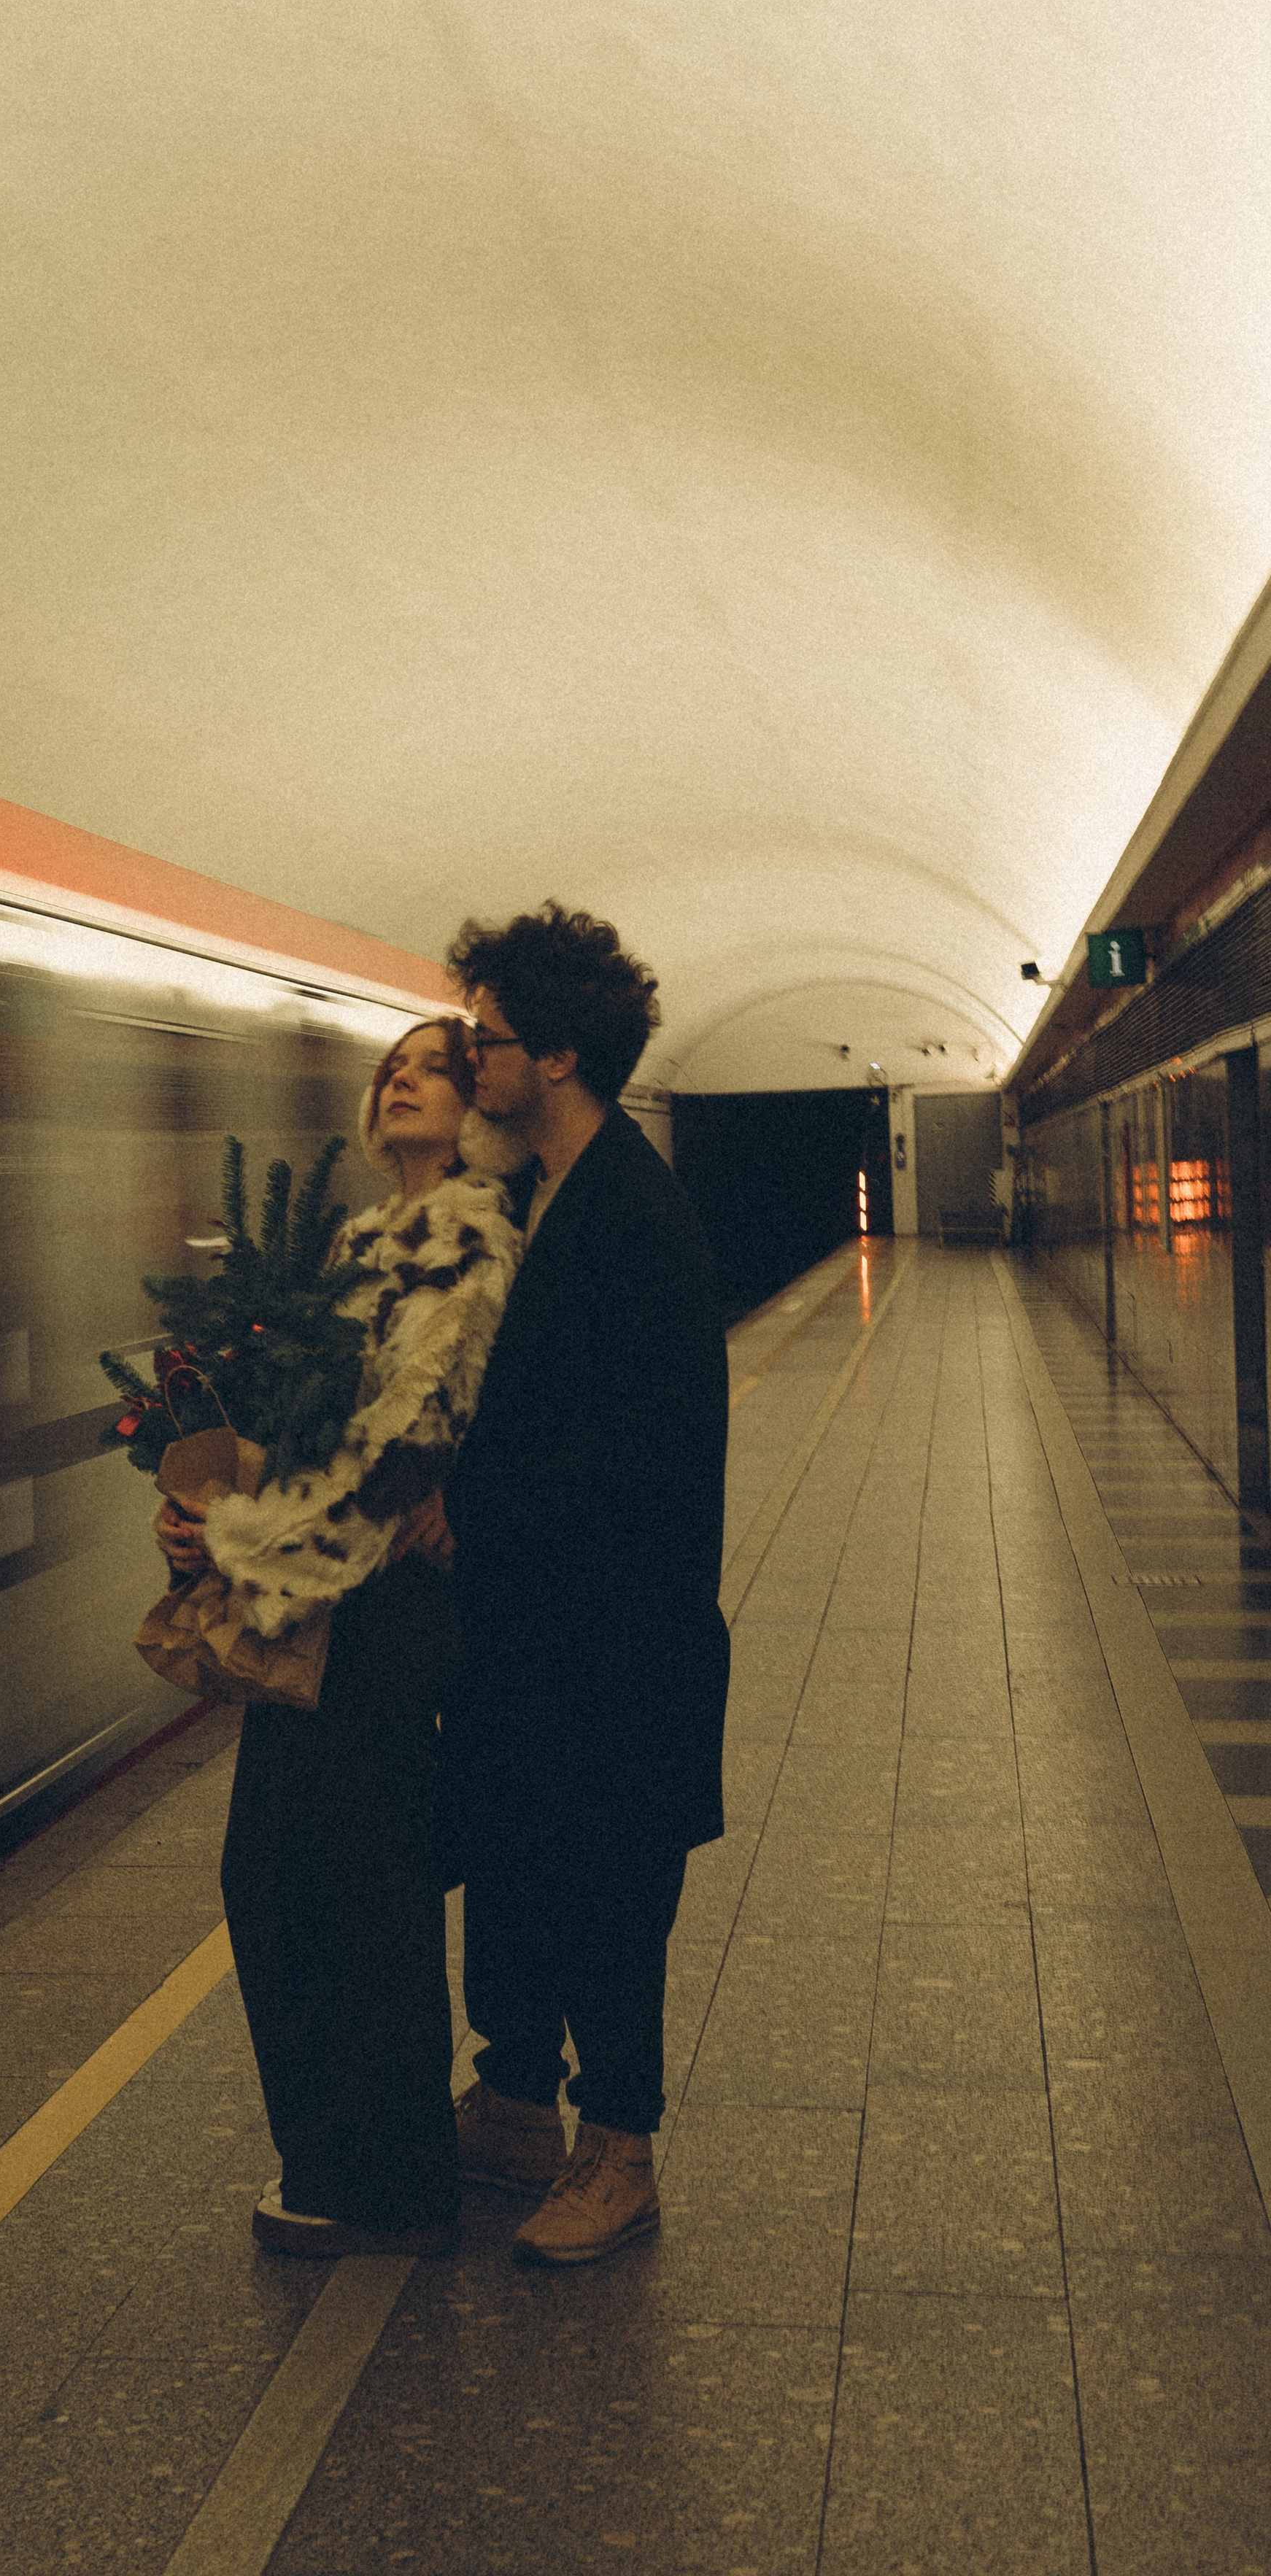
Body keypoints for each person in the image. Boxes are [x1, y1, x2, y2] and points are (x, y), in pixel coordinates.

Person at [154, 1018, 524, 2257]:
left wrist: (238, 1542)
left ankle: (388, 2177)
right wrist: (206, 1502)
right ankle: (337, 2156)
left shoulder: (471, 1241)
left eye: (432, 1063)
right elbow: (300, 1425)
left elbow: (403, 1446)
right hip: (320, 1599)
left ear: (481, 1098)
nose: (399, 1076)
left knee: (349, 1892)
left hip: (384, 1614)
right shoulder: (358, 1244)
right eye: (392, 1066)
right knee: (285, 1880)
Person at [435, 902, 730, 2267]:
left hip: (617, 1641)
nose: (466, 1059)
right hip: (541, 1637)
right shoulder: (541, 1193)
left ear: (555, 1056)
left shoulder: (634, 1216)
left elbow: (626, 1453)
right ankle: (514, 2105)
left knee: (613, 1899)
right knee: (529, 1872)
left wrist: (463, 1510)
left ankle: (623, 2155)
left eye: (481, 1038)